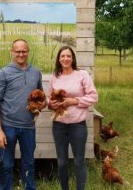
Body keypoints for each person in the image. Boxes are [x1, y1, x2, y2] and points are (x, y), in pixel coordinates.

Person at [0, 39, 45, 190]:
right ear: (12, 52)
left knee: (29, 163)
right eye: (18, 51)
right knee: (6, 165)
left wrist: (42, 105)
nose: (21, 54)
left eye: (24, 51)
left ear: (28, 52)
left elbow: (41, 97)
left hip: (29, 127)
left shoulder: (36, 73)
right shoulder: (4, 73)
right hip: (8, 127)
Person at [47, 46, 98, 190]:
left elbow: (93, 96)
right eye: (62, 56)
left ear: (73, 58)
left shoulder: (82, 75)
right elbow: (50, 101)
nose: (65, 59)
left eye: (68, 56)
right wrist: (52, 104)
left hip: (78, 126)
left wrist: (73, 101)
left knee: (79, 161)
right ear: (59, 59)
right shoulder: (55, 76)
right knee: (62, 162)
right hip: (59, 126)